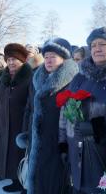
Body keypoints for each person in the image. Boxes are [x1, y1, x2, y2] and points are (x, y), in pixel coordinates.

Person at [59, 27, 106, 194]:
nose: (96, 48)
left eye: (103, 44)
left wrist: (99, 126)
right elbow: (65, 112)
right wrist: (63, 144)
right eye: (93, 45)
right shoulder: (80, 77)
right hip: (77, 157)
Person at [18, 38, 79, 194]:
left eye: (53, 56)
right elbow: (29, 108)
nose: (49, 60)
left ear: (64, 58)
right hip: (35, 141)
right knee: (36, 180)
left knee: (54, 183)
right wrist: (26, 132)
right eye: (46, 56)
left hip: (58, 144)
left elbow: (76, 116)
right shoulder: (37, 78)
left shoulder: (74, 81)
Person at [0, 43, 33, 193]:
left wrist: (27, 130)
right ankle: (11, 177)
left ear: (22, 60)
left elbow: (32, 105)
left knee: (18, 155)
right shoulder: (3, 79)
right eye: (8, 60)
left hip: (20, 125)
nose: (11, 62)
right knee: (6, 152)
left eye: (14, 59)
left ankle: (20, 181)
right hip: (4, 124)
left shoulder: (30, 78)